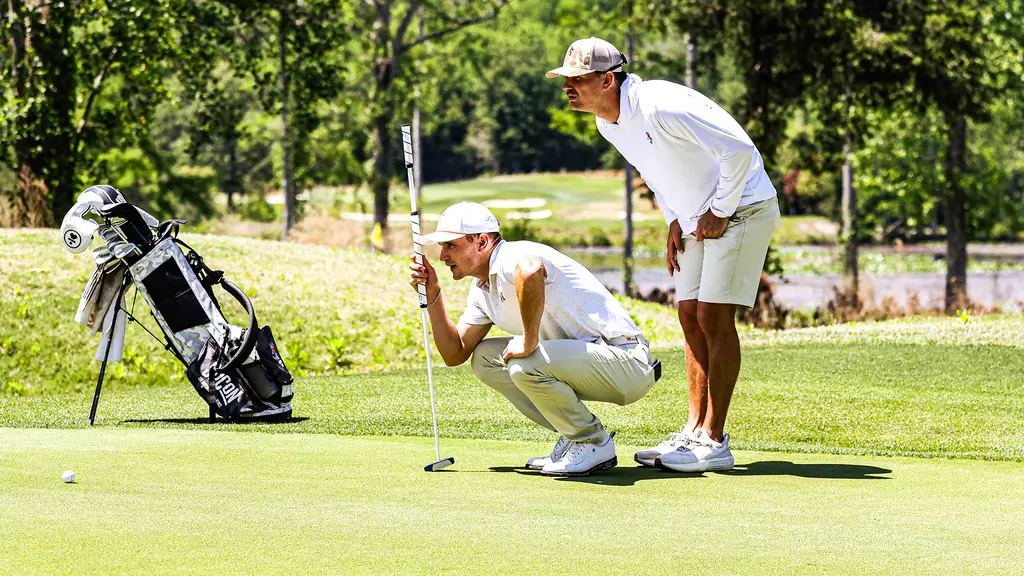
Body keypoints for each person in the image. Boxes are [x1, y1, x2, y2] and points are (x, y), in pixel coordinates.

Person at [547, 37, 780, 472]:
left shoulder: (660, 106)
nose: (567, 88)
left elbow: (739, 151)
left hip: (742, 207)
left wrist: (719, 211)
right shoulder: (607, 123)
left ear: (607, 80)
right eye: (566, 80)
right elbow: (655, 172)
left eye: (577, 79)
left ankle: (714, 440)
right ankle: (694, 431)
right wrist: (675, 218)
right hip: (696, 217)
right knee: (689, 314)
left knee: (713, 315)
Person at [408, 201, 659, 477]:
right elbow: (455, 353)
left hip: (626, 361)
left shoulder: (510, 255)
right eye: (442, 247)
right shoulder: (482, 289)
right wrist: (433, 293)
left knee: (524, 363)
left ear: (482, 242)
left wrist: (528, 341)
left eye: (450, 245)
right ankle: (573, 434)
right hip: (590, 363)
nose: (443, 256)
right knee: (484, 359)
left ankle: (592, 441)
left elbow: (529, 271)